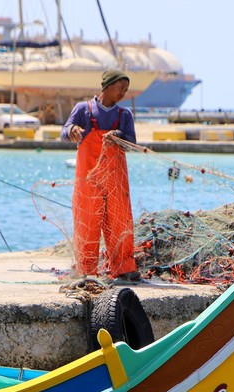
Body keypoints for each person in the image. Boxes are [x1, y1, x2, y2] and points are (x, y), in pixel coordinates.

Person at [61, 69, 139, 281]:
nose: (123, 92)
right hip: (88, 178)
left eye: (126, 89)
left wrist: (119, 135)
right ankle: (86, 269)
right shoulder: (83, 110)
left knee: (120, 221)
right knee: (87, 220)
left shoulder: (125, 116)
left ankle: (123, 268)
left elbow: (131, 142)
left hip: (116, 178)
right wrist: (72, 131)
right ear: (107, 85)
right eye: (120, 88)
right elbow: (64, 131)